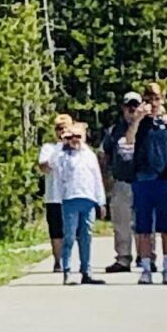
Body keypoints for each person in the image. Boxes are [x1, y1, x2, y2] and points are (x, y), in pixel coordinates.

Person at [131, 81, 167, 285]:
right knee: (144, 228)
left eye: (156, 99)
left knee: (166, 227)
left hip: (164, 177)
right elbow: (129, 140)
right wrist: (138, 118)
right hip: (142, 177)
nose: (152, 103)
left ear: (162, 99)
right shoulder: (139, 121)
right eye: (148, 99)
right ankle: (146, 267)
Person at [47, 118, 108, 285]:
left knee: (86, 236)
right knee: (69, 237)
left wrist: (101, 202)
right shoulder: (62, 155)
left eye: (78, 136)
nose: (75, 140)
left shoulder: (89, 154)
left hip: (88, 199)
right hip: (70, 200)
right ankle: (67, 271)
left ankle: (86, 271)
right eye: (72, 136)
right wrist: (62, 143)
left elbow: (97, 178)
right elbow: (52, 163)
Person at [99, 93, 149, 274]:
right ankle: (123, 258)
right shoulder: (114, 130)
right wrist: (105, 182)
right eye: (129, 106)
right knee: (121, 223)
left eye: (136, 106)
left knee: (144, 223)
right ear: (123, 108)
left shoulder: (147, 127)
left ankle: (146, 257)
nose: (132, 110)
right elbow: (104, 155)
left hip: (143, 181)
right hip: (121, 182)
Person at [37, 113, 75, 264]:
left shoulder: (77, 147)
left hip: (72, 195)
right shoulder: (49, 148)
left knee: (72, 231)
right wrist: (60, 147)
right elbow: (44, 166)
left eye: (65, 128)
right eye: (59, 128)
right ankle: (58, 261)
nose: (61, 132)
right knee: (56, 231)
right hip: (54, 196)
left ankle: (71, 260)